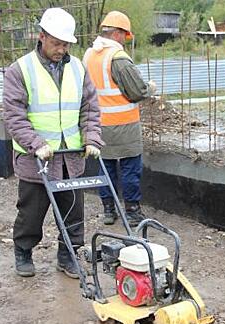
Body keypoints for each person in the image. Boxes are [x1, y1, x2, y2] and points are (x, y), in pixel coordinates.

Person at [3, 8, 103, 278]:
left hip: (71, 156)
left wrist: (91, 137)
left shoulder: (78, 68)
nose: (62, 49)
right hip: (36, 159)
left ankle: (68, 255)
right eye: (57, 43)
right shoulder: (20, 70)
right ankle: (23, 251)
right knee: (31, 213)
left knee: (73, 212)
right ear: (42, 37)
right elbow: (14, 115)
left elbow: (90, 108)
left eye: (66, 44)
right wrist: (36, 143)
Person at [83, 11, 156, 226]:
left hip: (98, 125)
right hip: (123, 125)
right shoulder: (118, 58)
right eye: (124, 35)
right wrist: (149, 88)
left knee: (105, 168)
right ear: (117, 33)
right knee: (130, 168)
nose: (125, 39)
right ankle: (132, 212)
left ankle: (108, 210)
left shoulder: (88, 55)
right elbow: (137, 91)